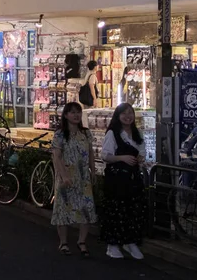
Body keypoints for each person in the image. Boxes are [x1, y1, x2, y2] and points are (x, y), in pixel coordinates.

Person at [100, 103, 147, 260]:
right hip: (117, 179)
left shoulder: (136, 133)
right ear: (118, 116)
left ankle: (130, 241)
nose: (128, 116)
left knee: (133, 210)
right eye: (124, 113)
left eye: (130, 113)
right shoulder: (113, 134)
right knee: (116, 210)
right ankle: (112, 244)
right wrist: (122, 158)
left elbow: (142, 152)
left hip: (133, 178)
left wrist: (140, 159)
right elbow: (105, 155)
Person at [51, 101, 97, 257]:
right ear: (65, 115)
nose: (76, 115)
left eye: (78, 112)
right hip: (66, 176)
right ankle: (63, 242)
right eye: (72, 112)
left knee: (86, 208)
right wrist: (64, 175)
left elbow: (90, 152)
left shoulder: (85, 133)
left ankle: (82, 241)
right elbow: (56, 157)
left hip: (83, 176)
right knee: (63, 209)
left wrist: (93, 170)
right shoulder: (59, 134)